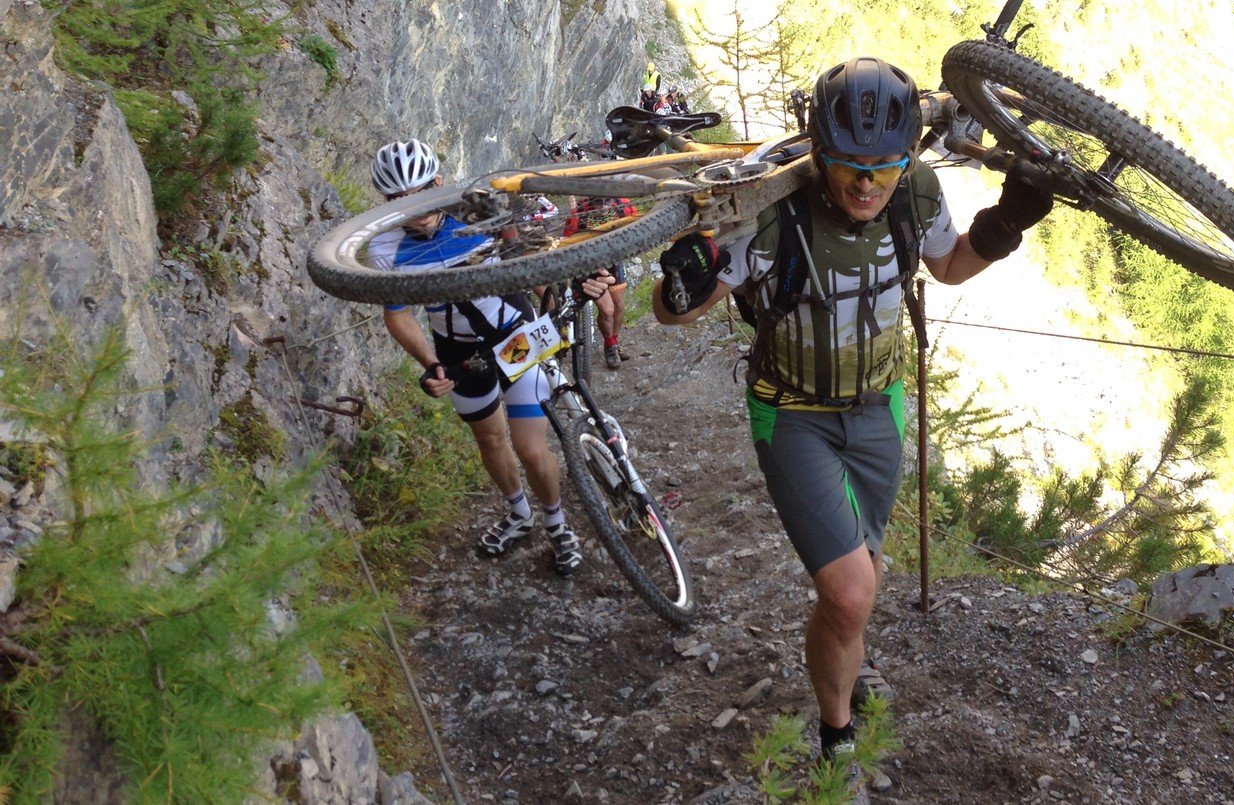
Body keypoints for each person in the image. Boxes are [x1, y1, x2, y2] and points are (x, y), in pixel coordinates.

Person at [649, 58, 1052, 787]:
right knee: (851, 591)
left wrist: (1007, 221)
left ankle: (846, 661)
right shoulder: (771, 213)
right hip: (792, 415)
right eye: (847, 169)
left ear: (904, 160)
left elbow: (951, 265)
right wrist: (681, 281)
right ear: (819, 155)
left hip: (879, 407)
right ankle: (837, 741)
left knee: (862, 570)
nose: (866, 185)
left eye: (883, 169)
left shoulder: (915, 194)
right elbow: (674, 312)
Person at [369, 138, 604, 576]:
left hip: (514, 334)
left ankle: (556, 524)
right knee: (490, 440)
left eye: (419, 192)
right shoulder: (384, 248)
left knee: (531, 450)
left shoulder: (478, 213)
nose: (411, 206)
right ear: (385, 201)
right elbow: (397, 315)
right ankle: (520, 514)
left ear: (437, 183)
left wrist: (554, 295)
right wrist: (430, 365)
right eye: (397, 199)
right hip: (455, 351)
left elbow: (526, 261)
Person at [563, 196, 637, 368]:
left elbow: (638, 223)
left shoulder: (623, 205)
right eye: (598, 203)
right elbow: (566, 243)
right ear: (591, 201)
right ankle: (610, 346)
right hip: (589, 265)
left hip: (614, 260)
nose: (603, 207)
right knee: (608, 310)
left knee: (619, 306)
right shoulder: (579, 214)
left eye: (607, 202)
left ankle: (614, 341)